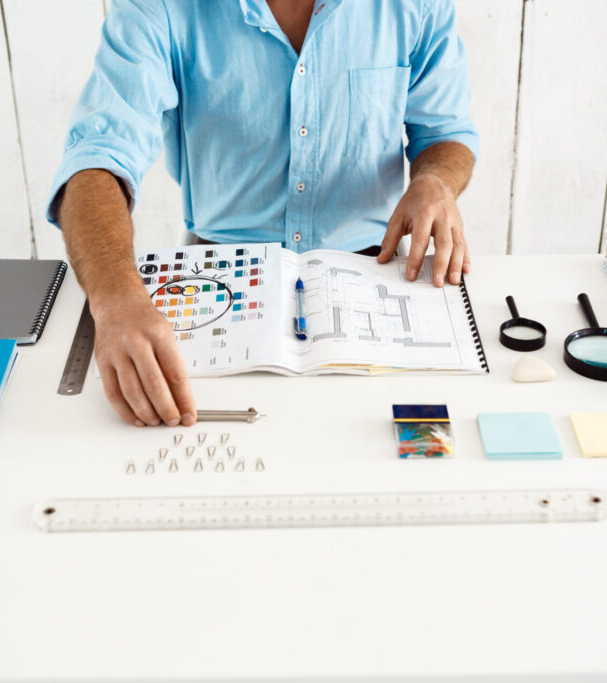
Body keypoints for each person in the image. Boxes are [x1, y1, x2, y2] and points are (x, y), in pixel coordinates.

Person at [48, 0, 479, 427]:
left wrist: (435, 181)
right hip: (215, 274)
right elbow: (97, 155)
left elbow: (445, 133)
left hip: (372, 271)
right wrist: (116, 300)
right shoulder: (159, 6)